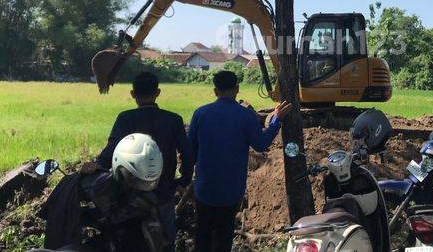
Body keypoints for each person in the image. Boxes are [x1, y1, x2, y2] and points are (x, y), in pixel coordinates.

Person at [83, 72, 192, 252]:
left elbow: (111, 150)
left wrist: (96, 165)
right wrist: (183, 180)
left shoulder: (125, 118)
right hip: (163, 192)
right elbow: (187, 154)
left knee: (128, 240)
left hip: (131, 195)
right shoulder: (173, 120)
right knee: (167, 242)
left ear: (133, 94)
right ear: (157, 92)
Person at [187, 70, 292, 252]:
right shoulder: (246, 116)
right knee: (223, 238)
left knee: (202, 236)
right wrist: (276, 121)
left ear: (215, 91)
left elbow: (191, 151)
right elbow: (261, 144)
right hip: (231, 191)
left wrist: (186, 176)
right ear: (237, 89)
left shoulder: (200, 114)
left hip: (204, 189)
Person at [42, 133, 165, 252]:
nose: (140, 187)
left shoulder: (146, 207)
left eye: (146, 183)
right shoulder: (102, 185)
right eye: (134, 179)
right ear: (120, 167)